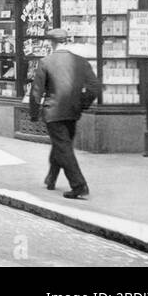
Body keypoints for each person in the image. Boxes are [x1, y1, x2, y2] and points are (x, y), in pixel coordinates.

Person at [29, 28, 99, 199]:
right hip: (73, 112)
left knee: (63, 147)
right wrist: (82, 104)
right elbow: (95, 87)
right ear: (66, 42)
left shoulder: (45, 62)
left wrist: (33, 113)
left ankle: (79, 185)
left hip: (53, 112)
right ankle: (51, 178)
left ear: (51, 43)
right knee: (62, 145)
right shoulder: (81, 62)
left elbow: (36, 92)